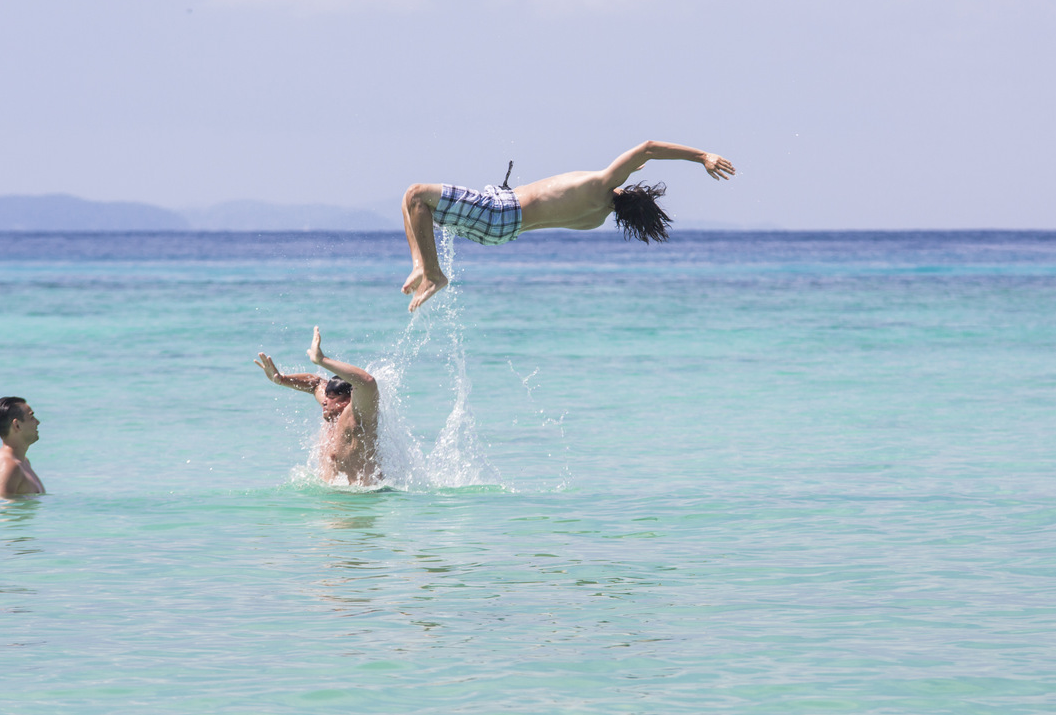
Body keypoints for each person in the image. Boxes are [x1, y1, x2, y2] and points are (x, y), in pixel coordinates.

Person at [401, 139, 736, 310]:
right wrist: (628, 177)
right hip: (501, 233)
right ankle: (421, 265)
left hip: (499, 211)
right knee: (416, 206)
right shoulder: (595, 217)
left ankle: (431, 271)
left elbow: (647, 148)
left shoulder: (599, 184)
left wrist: (702, 156)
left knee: (415, 194)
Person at [254, 326, 381, 485]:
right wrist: (281, 379)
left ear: (347, 401)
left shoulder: (360, 416)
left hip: (360, 500)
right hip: (333, 500)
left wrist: (322, 360)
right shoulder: (333, 408)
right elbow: (315, 384)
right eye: (326, 396)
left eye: (332, 397)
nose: (324, 401)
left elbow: (367, 382)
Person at [0, 396, 45, 498]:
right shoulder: (7, 466)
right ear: (17, 425)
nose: (37, 422)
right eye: (31, 418)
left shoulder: (23, 462)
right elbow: (2, 509)